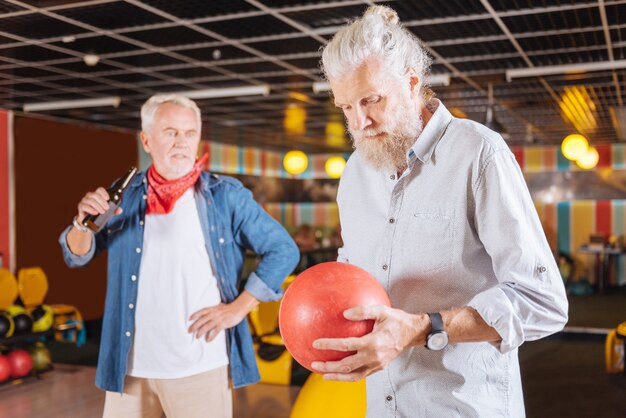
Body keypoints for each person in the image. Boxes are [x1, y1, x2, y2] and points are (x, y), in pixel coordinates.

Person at [311, 6, 568, 417]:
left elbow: (543, 303)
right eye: (345, 108)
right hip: (383, 404)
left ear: (412, 82)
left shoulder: (479, 155)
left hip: (463, 406)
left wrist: (421, 328)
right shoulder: (356, 173)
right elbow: (356, 270)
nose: (359, 122)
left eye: (371, 100)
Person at [58, 94, 299, 418]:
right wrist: (81, 223)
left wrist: (238, 309)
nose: (182, 142)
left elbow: (283, 249)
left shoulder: (224, 195)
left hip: (200, 365)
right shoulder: (123, 194)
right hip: (129, 367)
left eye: (189, 133)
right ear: (147, 140)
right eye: (170, 132)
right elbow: (77, 255)